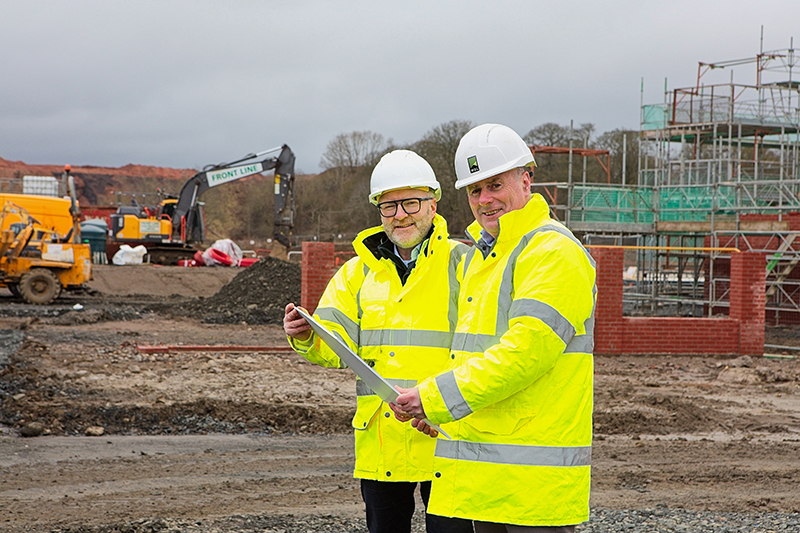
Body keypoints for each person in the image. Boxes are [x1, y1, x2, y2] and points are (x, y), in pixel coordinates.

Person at [392, 124, 596, 532]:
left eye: (495, 185)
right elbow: (475, 358)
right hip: (489, 482)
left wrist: (435, 396)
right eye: (474, 191)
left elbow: (524, 353)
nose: (485, 200)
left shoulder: (553, 252)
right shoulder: (485, 259)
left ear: (526, 180)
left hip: (532, 487)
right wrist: (441, 413)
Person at [283, 149, 473, 533]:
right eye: (389, 206)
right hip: (383, 434)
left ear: (433, 204)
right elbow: (334, 345)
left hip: (446, 431)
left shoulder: (465, 264)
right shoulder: (356, 273)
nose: (400, 214)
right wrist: (307, 336)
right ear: (378, 211)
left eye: (411, 203)